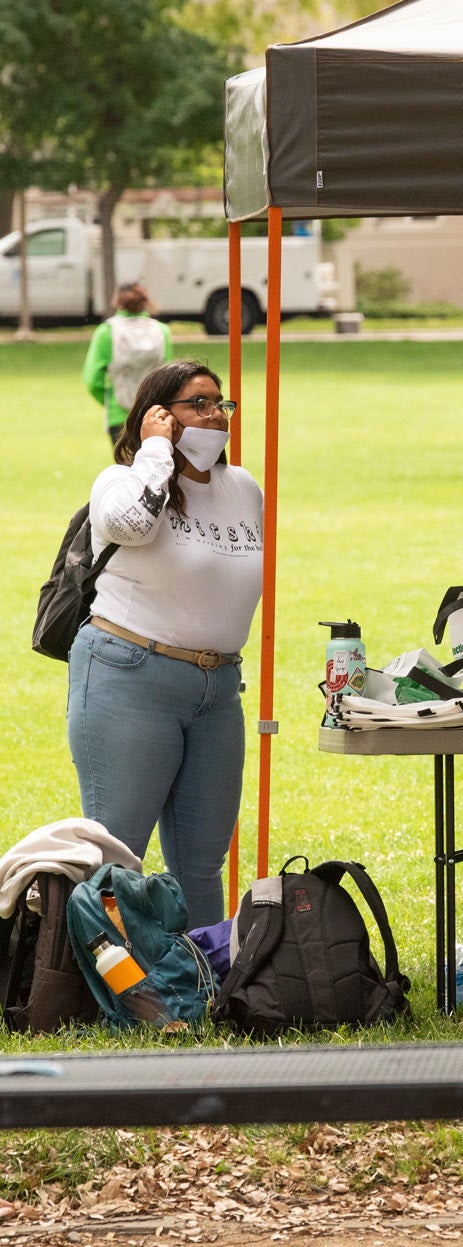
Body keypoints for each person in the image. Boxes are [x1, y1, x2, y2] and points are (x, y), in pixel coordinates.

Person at [69, 360, 259, 929]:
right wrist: (154, 452)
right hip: (129, 675)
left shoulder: (242, 487)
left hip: (218, 687)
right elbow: (132, 527)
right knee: (118, 854)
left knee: (203, 861)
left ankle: (202, 983)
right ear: (159, 414)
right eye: (197, 403)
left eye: (220, 405)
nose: (214, 416)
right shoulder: (121, 481)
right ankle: (114, 990)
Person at [83, 282, 172, 444]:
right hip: (154, 416)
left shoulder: (106, 331)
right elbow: (168, 376)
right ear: (145, 301)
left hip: (119, 414)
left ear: (118, 302)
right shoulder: (162, 331)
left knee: (125, 468)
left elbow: (92, 378)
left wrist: (109, 401)